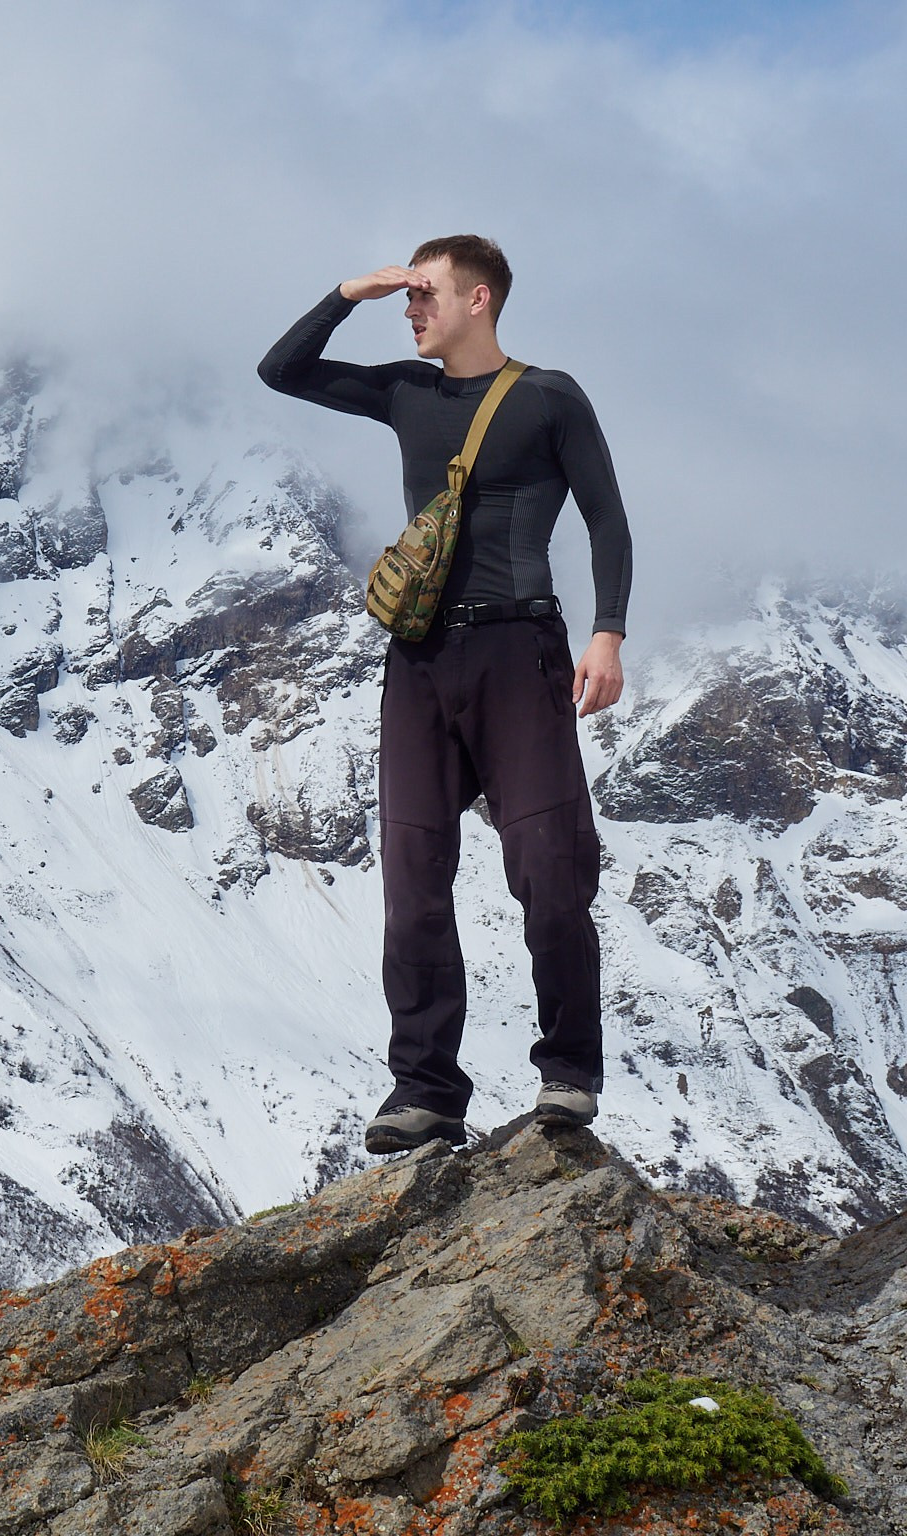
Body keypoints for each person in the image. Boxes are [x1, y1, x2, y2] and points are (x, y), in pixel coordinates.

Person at [257, 235, 633, 1154]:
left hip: (520, 652)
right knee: (414, 882)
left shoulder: (548, 397)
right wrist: (350, 291)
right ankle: (425, 1091)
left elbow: (607, 519)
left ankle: (568, 1073)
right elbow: (281, 371)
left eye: (425, 292)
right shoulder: (405, 392)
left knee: (549, 872)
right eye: (406, 295)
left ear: (479, 299)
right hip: (418, 659)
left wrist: (608, 633)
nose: (411, 308)